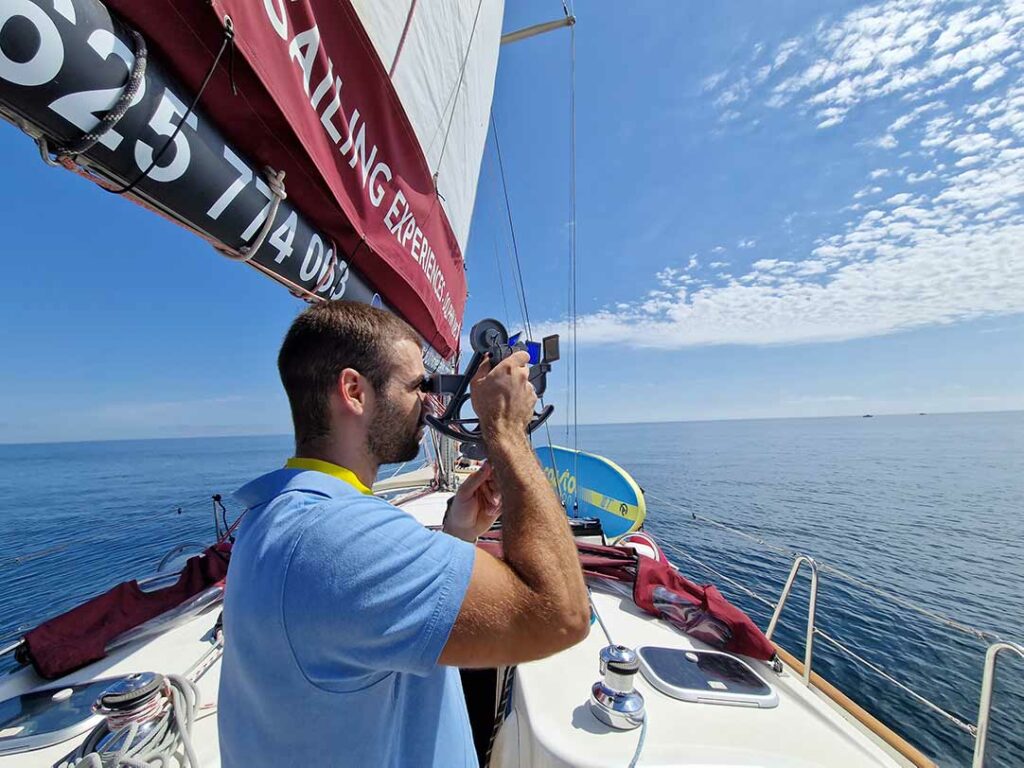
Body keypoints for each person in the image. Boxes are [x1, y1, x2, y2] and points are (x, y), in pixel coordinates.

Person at [218, 301, 589, 767]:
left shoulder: (279, 515)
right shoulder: (337, 537)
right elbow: (562, 615)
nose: (430, 403)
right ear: (354, 390)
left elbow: (364, 619)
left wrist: (457, 535)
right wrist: (507, 431)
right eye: (417, 386)